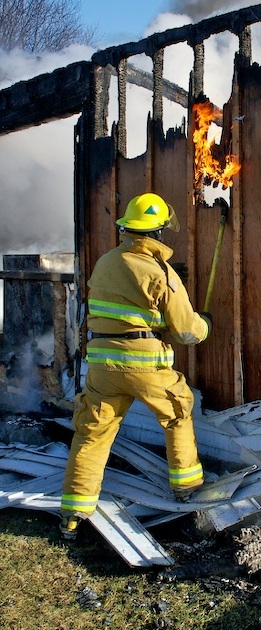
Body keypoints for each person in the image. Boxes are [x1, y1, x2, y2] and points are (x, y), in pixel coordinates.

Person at [60, 192, 211, 539]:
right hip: (145, 365)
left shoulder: (105, 263)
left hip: (102, 365)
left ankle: (72, 515)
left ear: (128, 228)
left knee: (91, 434)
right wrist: (206, 324)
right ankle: (187, 488)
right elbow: (186, 331)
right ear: (157, 232)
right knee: (177, 412)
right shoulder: (162, 273)